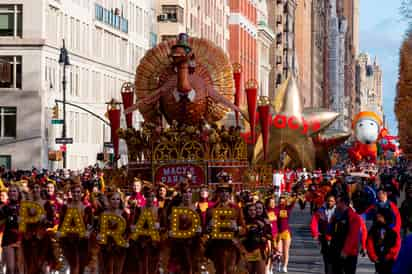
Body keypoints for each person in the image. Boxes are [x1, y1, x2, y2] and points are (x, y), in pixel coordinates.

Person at [97, 190, 129, 274]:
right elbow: (97, 229)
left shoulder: (124, 214)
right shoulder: (103, 214)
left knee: (118, 271)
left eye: (118, 199)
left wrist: (127, 240)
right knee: (107, 271)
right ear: (108, 200)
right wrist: (98, 235)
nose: (116, 201)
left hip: (120, 247)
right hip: (106, 247)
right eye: (113, 199)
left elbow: (128, 231)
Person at [329, 194, 361, 274]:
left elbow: (352, 236)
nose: (336, 204)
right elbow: (331, 231)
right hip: (336, 250)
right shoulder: (336, 216)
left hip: (349, 253)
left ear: (343, 203)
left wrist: (345, 251)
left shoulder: (353, 217)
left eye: (338, 202)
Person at [366, 207, 401, 274]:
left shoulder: (393, 230)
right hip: (378, 259)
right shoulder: (374, 229)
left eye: (380, 217)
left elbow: (397, 245)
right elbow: (369, 243)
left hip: (390, 260)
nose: (378, 218)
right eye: (377, 217)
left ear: (385, 217)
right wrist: (373, 256)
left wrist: (389, 256)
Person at [243, 203, 272, 274]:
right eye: (250, 210)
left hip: (259, 252)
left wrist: (264, 237)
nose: (253, 212)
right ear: (246, 211)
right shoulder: (242, 222)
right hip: (246, 253)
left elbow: (270, 235)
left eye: (254, 210)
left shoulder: (262, 221)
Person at [311, 194, 336, 274]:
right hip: (324, 237)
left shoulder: (338, 211)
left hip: (336, 238)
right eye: (328, 201)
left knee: (335, 259)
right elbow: (314, 222)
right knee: (326, 259)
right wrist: (315, 233)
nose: (329, 203)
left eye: (331, 201)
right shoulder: (321, 210)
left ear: (335, 202)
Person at [275, 195, 296, 273]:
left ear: (285, 202)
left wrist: (295, 196)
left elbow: (293, 203)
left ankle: (285, 266)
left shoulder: (288, 208)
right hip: (278, 233)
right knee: (278, 251)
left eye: (283, 201)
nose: (281, 203)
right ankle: (279, 264)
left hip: (286, 232)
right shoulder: (276, 209)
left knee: (286, 251)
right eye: (280, 201)